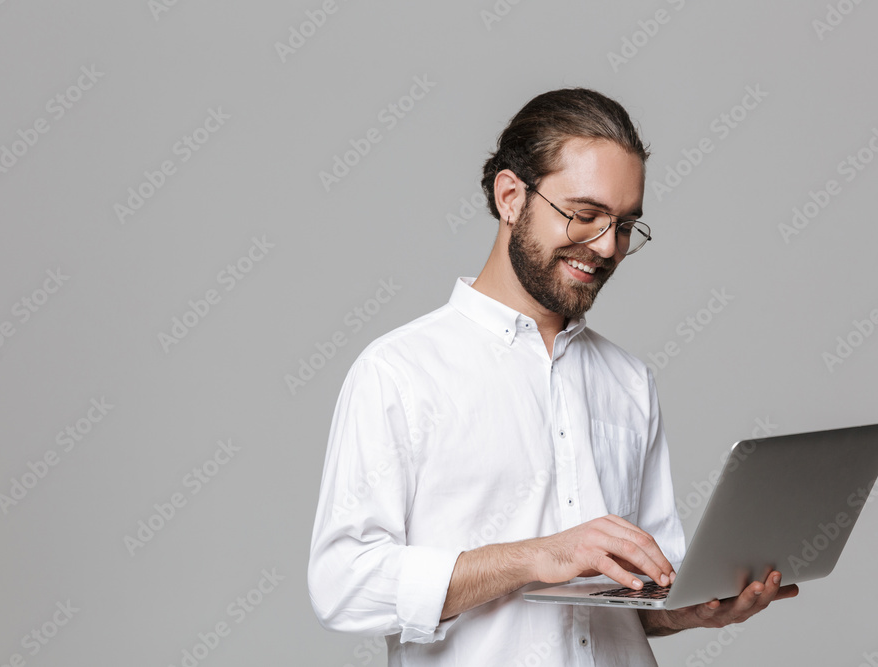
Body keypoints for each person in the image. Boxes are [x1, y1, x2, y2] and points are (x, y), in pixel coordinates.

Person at [307, 88, 797, 667]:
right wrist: (534, 557)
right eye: (585, 215)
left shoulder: (630, 382)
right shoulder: (399, 373)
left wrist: (684, 607)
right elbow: (343, 584)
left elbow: (634, 592)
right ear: (511, 197)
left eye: (624, 225)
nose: (606, 246)